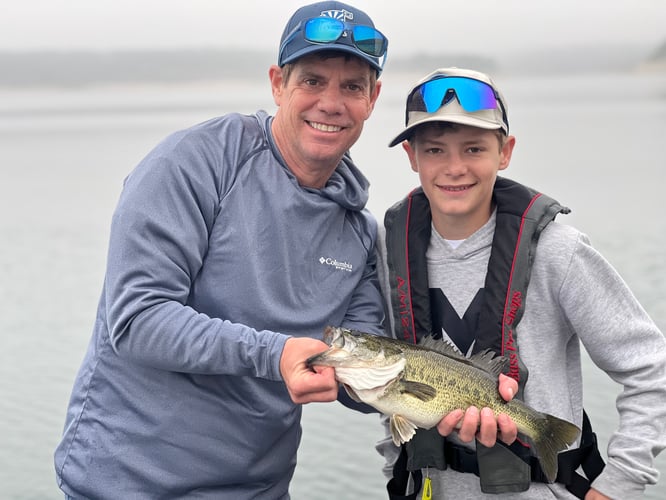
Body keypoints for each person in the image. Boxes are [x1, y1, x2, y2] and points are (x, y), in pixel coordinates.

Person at [53, 4, 517, 499]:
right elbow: (137, 321)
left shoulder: (358, 233)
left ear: (372, 98)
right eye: (312, 81)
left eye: (352, 87)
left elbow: (358, 377)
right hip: (126, 485)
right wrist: (275, 354)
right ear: (278, 84)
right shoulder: (194, 164)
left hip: (259, 489)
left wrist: (442, 401)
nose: (331, 103)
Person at [375, 66, 666, 499]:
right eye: (434, 150)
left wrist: (619, 485)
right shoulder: (389, 254)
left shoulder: (558, 252)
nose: (455, 168)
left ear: (505, 151)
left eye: (474, 148)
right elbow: (390, 388)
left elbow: (651, 368)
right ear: (412, 157)